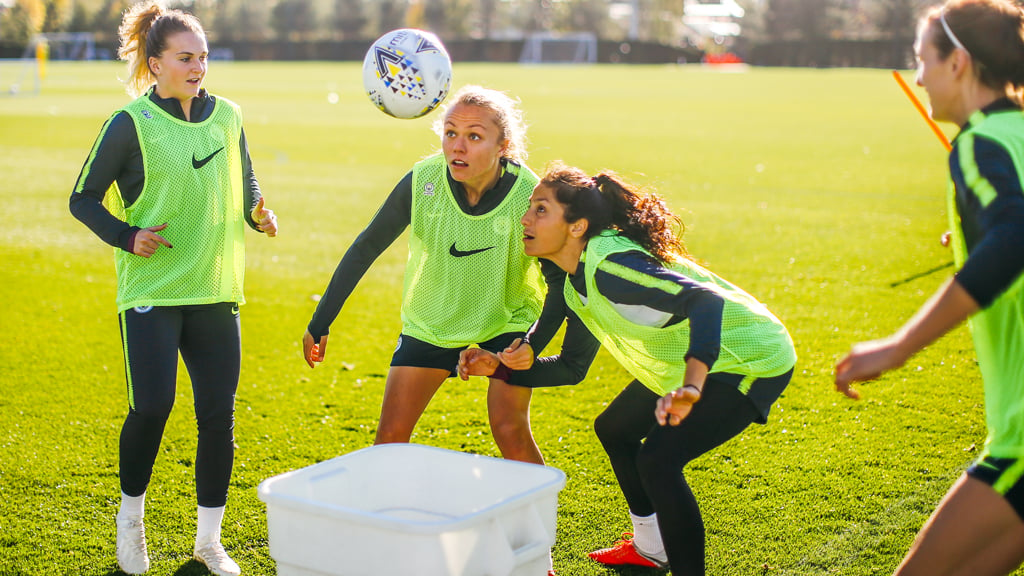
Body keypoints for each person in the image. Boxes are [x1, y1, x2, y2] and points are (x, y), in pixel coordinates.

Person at [460, 161, 796, 575]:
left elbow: (706, 302)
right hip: (688, 366)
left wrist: (692, 387)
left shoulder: (612, 268)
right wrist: (497, 368)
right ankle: (651, 546)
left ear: (577, 226)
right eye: (529, 207)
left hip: (750, 358)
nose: (525, 218)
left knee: (659, 461)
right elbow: (570, 368)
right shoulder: (573, 281)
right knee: (615, 429)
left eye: (540, 209)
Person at [69, 3, 277, 575]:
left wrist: (259, 212)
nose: (198, 67)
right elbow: (82, 197)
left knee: (217, 417)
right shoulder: (129, 123)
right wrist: (125, 233)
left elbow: (246, 181)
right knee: (153, 405)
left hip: (214, 288)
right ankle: (131, 521)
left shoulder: (229, 115)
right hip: (153, 291)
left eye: (203, 57)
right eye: (186, 58)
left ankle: (208, 542)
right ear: (155, 63)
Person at [835, 1, 1024, 574]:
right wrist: (975, 230)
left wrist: (899, 346)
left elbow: (1015, 235)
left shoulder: (978, 143)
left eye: (924, 61)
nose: (918, 78)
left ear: (959, 63)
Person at [302, 85, 549, 466]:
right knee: (390, 441)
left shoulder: (529, 194)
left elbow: (559, 278)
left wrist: (533, 341)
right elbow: (367, 246)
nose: (457, 147)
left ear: (503, 145)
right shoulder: (423, 181)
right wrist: (322, 320)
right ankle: (389, 524)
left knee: (510, 430)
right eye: (450, 133)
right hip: (431, 322)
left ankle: (537, 526)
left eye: (473, 137)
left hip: (506, 320)